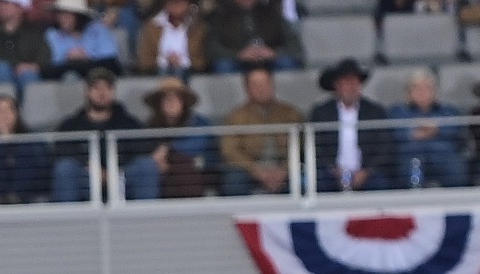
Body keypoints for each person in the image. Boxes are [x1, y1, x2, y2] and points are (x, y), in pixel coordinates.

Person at [52, 66, 146, 203]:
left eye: (107, 88)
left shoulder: (129, 123)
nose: (102, 93)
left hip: (122, 176)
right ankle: (68, 221)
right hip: (85, 176)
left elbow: (141, 149)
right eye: (96, 88)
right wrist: (90, 168)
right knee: (66, 169)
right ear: (87, 92)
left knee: (145, 166)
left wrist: (113, 171)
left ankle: (145, 220)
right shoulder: (71, 125)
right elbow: (61, 151)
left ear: (113, 91)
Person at [127, 77, 213, 200]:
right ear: (159, 103)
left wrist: (168, 151)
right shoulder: (150, 127)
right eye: (166, 98)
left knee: (182, 167)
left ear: (184, 103)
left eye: (176, 98)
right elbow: (146, 152)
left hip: (195, 174)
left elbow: (197, 145)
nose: (171, 102)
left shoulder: (200, 123)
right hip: (161, 176)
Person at [309, 58, 388, 193]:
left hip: (367, 173)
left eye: (354, 82)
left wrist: (366, 171)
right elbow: (316, 146)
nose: (350, 87)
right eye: (345, 82)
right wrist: (333, 169)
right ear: (336, 86)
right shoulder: (321, 113)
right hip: (331, 174)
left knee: (382, 184)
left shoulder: (375, 111)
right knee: (318, 182)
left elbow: (384, 146)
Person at [220, 64, 301, 195]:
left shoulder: (291, 113)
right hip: (250, 169)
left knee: (306, 178)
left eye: (265, 83)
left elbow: (301, 145)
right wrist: (256, 170)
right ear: (247, 88)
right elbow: (230, 150)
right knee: (234, 181)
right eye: (255, 85)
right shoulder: (236, 116)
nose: (261, 88)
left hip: (284, 167)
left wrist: (285, 169)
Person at [389, 68, 469, 189]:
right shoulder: (398, 111)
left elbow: (454, 130)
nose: (422, 92)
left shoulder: (448, 111)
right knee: (411, 168)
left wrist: (435, 130)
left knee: (456, 168)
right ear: (408, 92)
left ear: (434, 91)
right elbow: (397, 133)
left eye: (426, 87)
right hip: (412, 156)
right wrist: (423, 132)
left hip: (442, 156)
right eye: (416, 88)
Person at [0, 92, 49, 202]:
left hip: (27, 195)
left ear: (17, 114)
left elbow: (41, 168)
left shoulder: (32, 141)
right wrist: (1, 142)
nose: (4, 115)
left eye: (9, 110)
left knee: (25, 152)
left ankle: (15, 197)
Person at [205, 0, 301, 74]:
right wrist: (238, 55)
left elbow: (294, 45)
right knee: (224, 67)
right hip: (236, 60)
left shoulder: (272, 13)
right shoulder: (219, 16)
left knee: (287, 63)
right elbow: (213, 49)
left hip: (270, 61)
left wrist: (273, 53)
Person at [46, 0, 122, 76]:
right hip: (61, 79)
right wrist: (68, 58)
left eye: (67, 14)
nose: (62, 18)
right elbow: (51, 65)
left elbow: (110, 60)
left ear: (79, 16)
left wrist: (87, 58)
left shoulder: (98, 30)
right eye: (60, 14)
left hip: (96, 76)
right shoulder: (52, 34)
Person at [137, 0, 206, 76]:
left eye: (180, 3)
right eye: (173, 3)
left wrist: (182, 61)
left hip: (191, 71)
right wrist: (166, 60)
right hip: (158, 71)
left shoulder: (198, 28)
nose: (176, 6)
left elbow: (202, 60)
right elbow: (145, 60)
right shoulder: (151, 27)